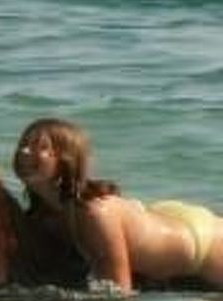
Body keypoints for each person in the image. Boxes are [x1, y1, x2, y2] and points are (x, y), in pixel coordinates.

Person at [12, 116, 223, 291]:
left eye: (40, 147)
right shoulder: (43, 214)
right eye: (23, 144)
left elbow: (118, 291)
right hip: (160, 221)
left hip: (206, 246)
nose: (25, 151)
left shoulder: (94, 213)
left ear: (66, 160)